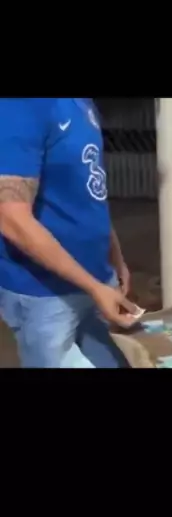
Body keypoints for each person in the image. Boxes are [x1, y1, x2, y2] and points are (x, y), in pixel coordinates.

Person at [0, 97, 138, 369]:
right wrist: (94, 286)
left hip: (95, 283)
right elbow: (10, 217)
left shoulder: (80, 103)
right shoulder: (18, 107)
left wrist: (115, 257)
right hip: (45, 294)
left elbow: (87, 191)